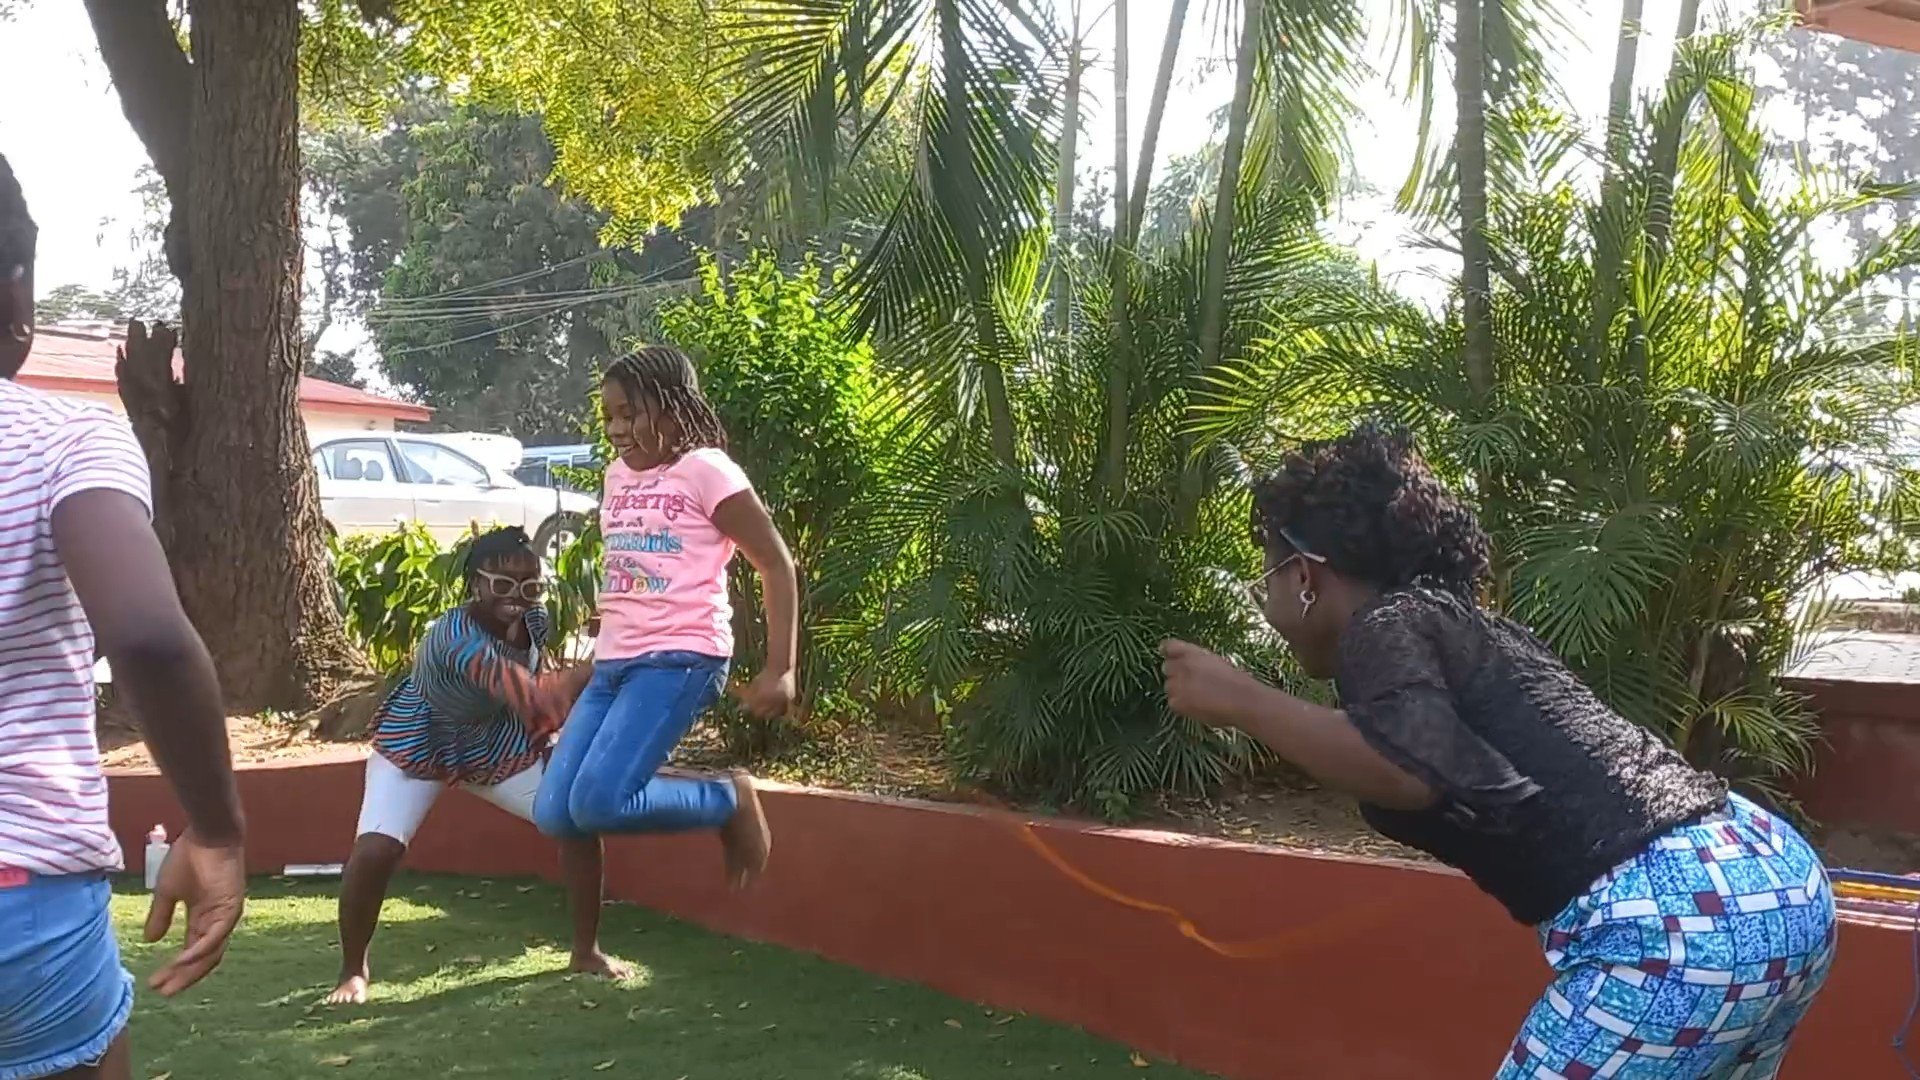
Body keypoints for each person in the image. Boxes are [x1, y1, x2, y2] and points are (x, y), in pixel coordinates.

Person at [1159, 423, 1836, 1079]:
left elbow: (1409, 766)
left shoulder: (1387, 624)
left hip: (1680, 922)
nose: (1269, 598)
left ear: (1305, 575)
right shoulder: (1469, 628)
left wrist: (1241, 699)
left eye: (1267, 578)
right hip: (1772, 875)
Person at [0, 154, 247, 1079]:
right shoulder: (70, 438)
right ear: (15, 282)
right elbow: (144, 635)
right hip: (21, 905)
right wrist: (218, 828)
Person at [327, 526, 629, 1005]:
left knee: (574, 819)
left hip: (495, 743)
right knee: (376, 851)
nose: (518, 597)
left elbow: (535, 690)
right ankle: (352, 970)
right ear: (475, 585)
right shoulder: (451, 636)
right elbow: (532, 694)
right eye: (503, 585)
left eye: (530, 585)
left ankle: (585, 950)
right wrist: (616, 655)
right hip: (420, 740)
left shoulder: (536, 622)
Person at [533, 345, 792, 888]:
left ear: (674, 408)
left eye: (630, 413)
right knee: (555, 811)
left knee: (600, 803)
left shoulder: (706, 471)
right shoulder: (616, 477)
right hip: (615, 661)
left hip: (682, 655)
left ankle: (727, 799)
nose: (617, 428)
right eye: (608, 416)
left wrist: (780, 668)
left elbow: (775, 562)